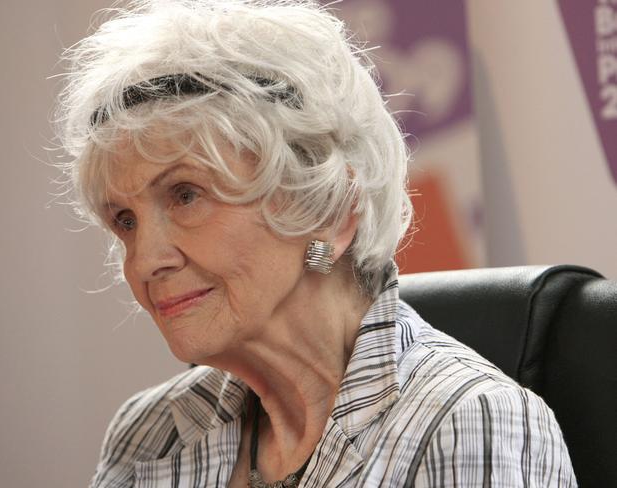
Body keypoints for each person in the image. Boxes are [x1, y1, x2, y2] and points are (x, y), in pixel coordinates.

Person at [55, 1, 577, 486]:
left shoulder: (467, 422)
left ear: (329, 208)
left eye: (186, 195)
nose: (144, 261)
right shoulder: (149, 435)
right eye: (125, 221)